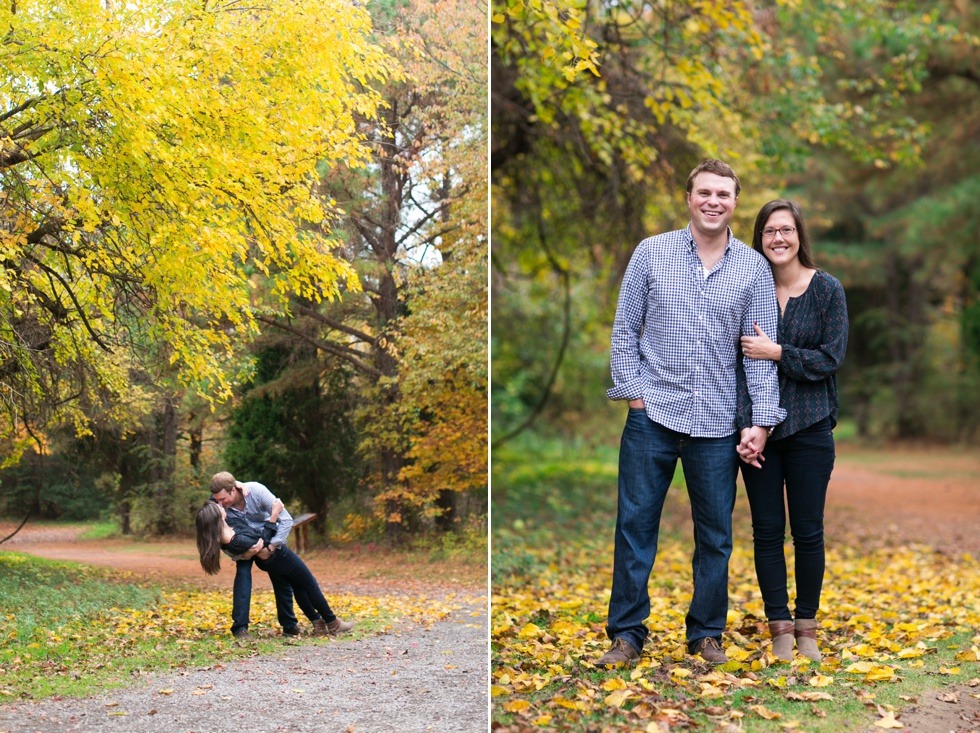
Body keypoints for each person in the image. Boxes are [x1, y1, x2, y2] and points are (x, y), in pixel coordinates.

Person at [596, 159, 786, 668]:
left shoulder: (751, 268)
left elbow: (760, 352)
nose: (713, 202)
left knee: (715, 537)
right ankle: (627, 636)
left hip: (717, 424)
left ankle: (705, 634)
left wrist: (762, 421)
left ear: (734, 203)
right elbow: (624, 332)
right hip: (651, 416)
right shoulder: (651, 253)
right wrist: (635, 395)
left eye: (723, 194)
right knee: (635, 528)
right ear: (689, 197)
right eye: (705, 192)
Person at [736, 199, 848, 662]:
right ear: (759, 238)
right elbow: (735, 365)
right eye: (768, 232)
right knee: (766, 531)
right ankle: (779, 626)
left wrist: (778, 352)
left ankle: (807, 629)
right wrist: (747, 424)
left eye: (785, 230)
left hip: (810, 427)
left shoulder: (826, 290)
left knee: (807, 531)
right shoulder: (747, 287)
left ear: (799, 235)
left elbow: (830, 358)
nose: (777, 239)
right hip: (759, 434)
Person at [196, 499, 355, 636]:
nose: (221, 506)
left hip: (272, 558)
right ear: (216, 517)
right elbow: (262, 540)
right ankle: (333, 622)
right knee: (309, 583)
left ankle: (317, 622)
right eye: (218, 507)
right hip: (278, 555)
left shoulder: (229, 526)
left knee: (298, 586)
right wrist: (274, 515)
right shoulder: (235, 539)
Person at [209, 471, 320, 638]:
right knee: (243, 579)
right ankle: (240, 628)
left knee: (282, 579)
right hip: (242, 544)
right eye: (217, 499)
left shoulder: (256, 492)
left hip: (268, 539)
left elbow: (286, 520)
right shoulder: (217, 504)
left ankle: (289, 626)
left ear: (233, 490)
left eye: (223, 499)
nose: (220, 503)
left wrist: (272, 547)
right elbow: (219, 536)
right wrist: (241, 554)